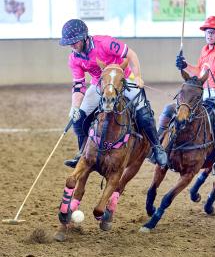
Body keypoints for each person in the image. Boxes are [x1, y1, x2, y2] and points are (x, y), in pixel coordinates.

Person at [59, 19, 167, 168]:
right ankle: (82, 152)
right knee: (78, 118)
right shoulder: (74, 58)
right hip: (100, 83)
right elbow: (78, 86)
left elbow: (131, 55)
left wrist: (138, 77)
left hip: (123, 78)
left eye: (74, 41)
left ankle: (157, 148)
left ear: (84, 37)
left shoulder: (105, 43)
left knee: (143, 110)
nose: (72, 45)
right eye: (69, 43)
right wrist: (75, 107)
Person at [174, 15, 215, 176]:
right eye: (208, 32)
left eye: (213, 33)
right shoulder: (204, 50)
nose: (209, 35)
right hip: (203, 92)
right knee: (183, 112)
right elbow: (198, 72)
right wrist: (185, 65)